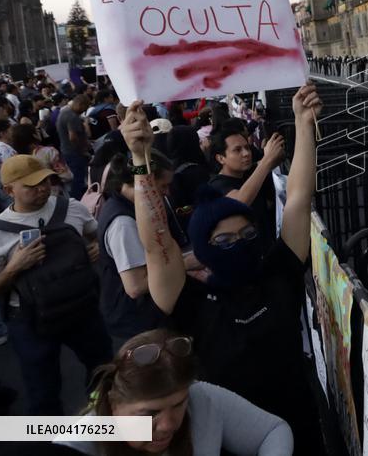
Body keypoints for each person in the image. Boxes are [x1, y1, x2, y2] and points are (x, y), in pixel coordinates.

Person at [122, 83, 324, 454]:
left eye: (248, 234)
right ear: (204, 251)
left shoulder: (278, 274)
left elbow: (298, 198)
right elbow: (157, 245)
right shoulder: (192, 303)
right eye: (225, 242)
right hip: (228, 442)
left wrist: (304, 124)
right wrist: (140, 159)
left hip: (300, 431)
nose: (240, 244)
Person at [0, 155, 111, 414]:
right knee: (43, 391)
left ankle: (102, 423)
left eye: (45, 181)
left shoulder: (71, 207)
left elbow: (96, 234)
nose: (43, 188)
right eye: (32, 185)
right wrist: (14, 267)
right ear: (9, 190)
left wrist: (94, 247)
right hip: (31, 320)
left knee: (104, 371)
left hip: (81, 307)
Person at [55, 329, 293, 455]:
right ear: (113, 405)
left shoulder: (201, 398)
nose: (169, 424)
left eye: (179, 404)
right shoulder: (76, 443)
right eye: (150, 413)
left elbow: (272, 432)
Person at [97, 153, 177, 344]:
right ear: (142, 182)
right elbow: (135, 286)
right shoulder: (123, 224)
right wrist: (180, 264)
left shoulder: (131, 206)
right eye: (162, 186)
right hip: (135, 321)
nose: (167, 193)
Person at [208, 128, 284, 247]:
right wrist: (266, 160)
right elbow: (240, 201)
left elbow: (275, 159)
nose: (246, 153)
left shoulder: (249, 172)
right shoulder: (217, 185)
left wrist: (274, 147)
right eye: (237, 150)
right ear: (221, 158)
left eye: (247, 147)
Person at [9, 123, 74, 196]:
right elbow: (67, 176)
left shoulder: (14, 159)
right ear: (34, 136)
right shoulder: (49, 152)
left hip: (30, 196)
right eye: (36, 131)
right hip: (53, 193)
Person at [57, 94, 92, 199]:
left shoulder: (64, 112)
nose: (84, 111)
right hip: (74, 152)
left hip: (67, 150)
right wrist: (82, 150)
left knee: (79, 177)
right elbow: (73, 137)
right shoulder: (72, 117)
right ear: (80, 104)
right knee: (78, 179)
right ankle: (78, 200)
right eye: (84, 108)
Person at [0, 120, 16, 211]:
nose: (13, 132)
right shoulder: (4, 150)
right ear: (3, 133)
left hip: (1, 192)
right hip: (8, 194)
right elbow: (14, 170)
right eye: (11, 129)